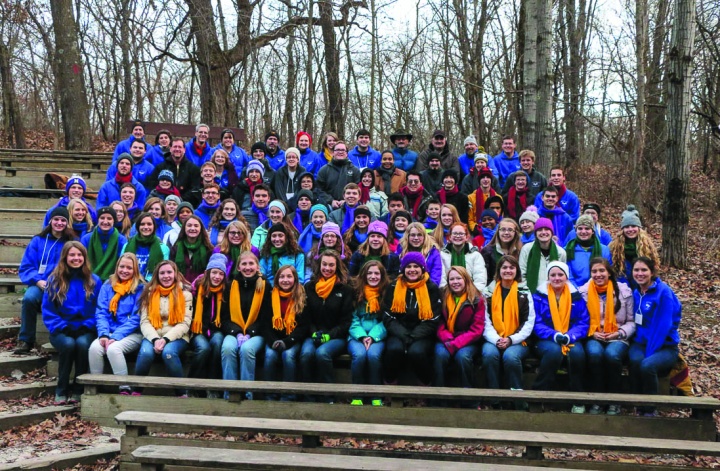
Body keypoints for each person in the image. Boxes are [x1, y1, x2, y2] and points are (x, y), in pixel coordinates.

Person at [42, 241, 101, 405]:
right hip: (61, 329)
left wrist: (87, 325)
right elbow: (48, 310)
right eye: (72, 255)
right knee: (68, 345)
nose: (76, 258)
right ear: (65, 257)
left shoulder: (93, 280)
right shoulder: (54, 280)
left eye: (79, 255)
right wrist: (63, 327)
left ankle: (77, 388)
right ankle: (61, 389)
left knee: (82, 344)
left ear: (84, 257)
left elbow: (99, 309)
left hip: (85, 328)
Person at [15, 207, 76, 355]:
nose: (59, 223)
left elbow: (76, 263)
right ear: (50, 221)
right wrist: (37, 281)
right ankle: (26, 340)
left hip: (63, 284)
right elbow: (27, 266)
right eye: (56, 219)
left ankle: (63, 336)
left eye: (63, 220)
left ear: (67, 223)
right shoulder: (38, 241)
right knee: (29, 298)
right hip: (40, 283)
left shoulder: (71, 241)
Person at [579, 257, 634, 415]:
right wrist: (592, 333)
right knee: (595, 354)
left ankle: (614, 400)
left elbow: (631, 321)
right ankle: (597, 399)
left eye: (602, 270)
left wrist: (618, 333)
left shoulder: (624, 291)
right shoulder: (583, 292)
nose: (598, 274)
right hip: (593, 335)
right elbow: (580, 320)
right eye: (594, 271)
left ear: (609, 272)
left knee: (612, 355)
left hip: (618, 335)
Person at [532, 261, 589, 413]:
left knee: (577, 354)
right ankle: (538, 395)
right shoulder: (538, 297)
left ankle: (578, 398)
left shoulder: (576, 297)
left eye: (560, 275)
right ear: (548, 277)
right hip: (546, 339)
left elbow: (583, 321)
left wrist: (571, 335)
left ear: (566, 277)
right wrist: (554, 335)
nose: (556, 278)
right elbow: (536, 322)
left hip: (571, 338)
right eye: (553, 275)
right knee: (553, 352)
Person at [628, 257, 681, 416]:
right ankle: (637, 404)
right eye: (636, 270)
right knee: (635, 361)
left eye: (644, 270)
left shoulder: (663, 291)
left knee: (647, 365)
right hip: (641, 343)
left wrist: (651, 352)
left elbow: (664, 325)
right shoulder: (636, 292)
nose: (640, 273)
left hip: (665, 346)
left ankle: (650, 409)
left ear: (652, 272)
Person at [134, 260, 193, 396]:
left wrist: (165, 339)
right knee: (146, 353)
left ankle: (181, 393)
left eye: (169, 272)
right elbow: (144, 322)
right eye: (162, 273)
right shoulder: (149, 294)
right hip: (152, 335)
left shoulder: (186, 295)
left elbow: (185, 323)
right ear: (157, 276)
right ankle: (136, 391)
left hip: (176, 337)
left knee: (169, 353)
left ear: (175, 274)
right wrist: (155, 339)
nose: (166, 276)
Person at [382, 252, 442, 386]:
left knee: (417, 352)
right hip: (398, 332)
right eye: (408, 266)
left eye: (416, 266)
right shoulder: (393, 287)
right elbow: (388, 316)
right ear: (403, 269)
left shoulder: (431, 288)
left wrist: (414, 336)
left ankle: (424, 387)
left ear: (422, 269)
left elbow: (434, 318)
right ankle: (390, 385)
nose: (412, 270)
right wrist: (403, 335)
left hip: (422, 334)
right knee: (394, 350)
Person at [88, 253, 144, 394]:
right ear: (117, 267)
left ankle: (124, 387)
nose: (124, 270)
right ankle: (96, 386)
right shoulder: (108, 285)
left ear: (135, 270)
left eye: (129, 268)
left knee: (113, 349)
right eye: (122, 266)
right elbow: (101, 312)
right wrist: (104, 334)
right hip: (109, 331)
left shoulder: (141, 288)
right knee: (94, 348)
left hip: (133, 333)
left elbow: (136, 318)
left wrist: (116, 336)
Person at [300, 250, 353, 396]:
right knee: (306, 354)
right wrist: (313, 332)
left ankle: (328, 395)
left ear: (337, 267)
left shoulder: (346, 290)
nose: (327, 268)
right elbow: (306, 317)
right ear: (319, 265)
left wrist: (329, 335)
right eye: (324, 264)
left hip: (336, 337)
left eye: (331, 265)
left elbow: (346, 321)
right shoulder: (309, 287)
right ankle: (308, 395)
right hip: (314, 334)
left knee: (322, 353)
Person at [220, 251, 272, 399]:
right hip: (234, 331)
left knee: (247, 349)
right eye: (244, 264)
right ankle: (229, 392)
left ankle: (247, 393)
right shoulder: (230, 287)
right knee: (228, 348)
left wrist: (250, 332)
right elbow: (224, 317)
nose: (247, 267)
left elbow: (266, 317)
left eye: (251, 263)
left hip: (257, 333)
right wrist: (237, 332)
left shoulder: (265, 287)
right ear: (238, 267)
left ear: (257, 267)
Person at [483, 255, 535, 397]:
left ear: (516, 271)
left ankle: (517, 398)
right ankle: (494, 398)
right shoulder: (489, 292)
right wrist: (496, 339)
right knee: (489, 355)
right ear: (499, 270)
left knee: (511, 357)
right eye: (504, 267)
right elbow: (485, 320)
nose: (508, 270)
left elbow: (528, 321)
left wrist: (511, 339)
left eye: (511, 267)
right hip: (494, 339)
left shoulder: (524, 292)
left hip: (518, 340)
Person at [434, 266, 485, 391]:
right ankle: (438, 396)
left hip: (468, 340)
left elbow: (477, 329)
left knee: (463, 357)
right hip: (447, 338)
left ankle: (469, 398)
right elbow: (439, 322)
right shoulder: (443, 296)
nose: (455, 282)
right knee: (440, 355)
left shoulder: (477, 299)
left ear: (466, 279)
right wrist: (447, 338)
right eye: (452, 279)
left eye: (459, 278)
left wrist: (456, 343)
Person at [263, 264, 308, 401]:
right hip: (273, 338)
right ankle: (269, 394)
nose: (285, 280)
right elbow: (264, 324)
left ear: (295, 278)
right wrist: (273, 341)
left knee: (288, 356)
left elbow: (303, 327)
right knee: (270, 356)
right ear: (277, 279)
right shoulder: (270, 296)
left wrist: (287, 342)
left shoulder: (301, 297)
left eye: (289, 276)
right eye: (282, 277)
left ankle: (288, 395)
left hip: (292, 339)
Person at [348, 261, 388, 406]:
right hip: (357, 335)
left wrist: (372, 336)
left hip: (378, 335)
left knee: (373, 355)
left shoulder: (386, 293)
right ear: (364, 275)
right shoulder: (356, 292)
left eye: (376, 273)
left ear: (382, 276)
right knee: (359, 355)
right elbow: (352, 318)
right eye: (369, 273)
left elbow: (387, 320)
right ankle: (357, 395)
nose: (373, 276)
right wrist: (362, 336)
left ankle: (376, 395)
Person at [608, 205, 660, 289]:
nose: (630, 229)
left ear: (639, 228)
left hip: (643, 286)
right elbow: (613, 270)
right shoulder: (614, 247)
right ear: (622, 229)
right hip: (622, 287)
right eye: (627, 227)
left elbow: (653, 269)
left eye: (633, 226)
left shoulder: (647, 245)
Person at [519, 217, 567, 294]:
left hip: (554, 294)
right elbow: (522, 274)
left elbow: (563, 276)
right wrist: (526, 292)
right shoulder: (526, 249)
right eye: (540, 230)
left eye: (547, 229)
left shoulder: (561, 252)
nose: (543, 232)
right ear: (535, 233)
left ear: (551, 232)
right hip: (530, 294)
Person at [564, 214, 612, 287]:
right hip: (575, 291)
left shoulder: (604, 250)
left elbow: (609, 272)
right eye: (580, 228)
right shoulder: (567, 250)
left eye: (587, 228)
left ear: (593, 231)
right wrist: (578, 291)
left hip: (599, 289)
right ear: (575, 231)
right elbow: (568, 274)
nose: (583, 231)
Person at [81, 206, 127, 281]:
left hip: (114, 280)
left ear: (114, 221)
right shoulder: (86, 239)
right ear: (98, 220)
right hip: (89, 279)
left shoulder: (122, 240)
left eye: (109, 218)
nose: (105, 222)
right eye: (102, 218)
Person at [439, 222, 487, 292]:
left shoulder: (475, 255)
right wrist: (446, 293)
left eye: (461, 234)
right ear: (450, 237)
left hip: (471, 294)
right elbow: (441, 278)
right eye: (455, 233)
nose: (458, 236)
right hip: (448, 293)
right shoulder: (442, 255)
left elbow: (480, 278)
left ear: (467, 237)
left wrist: (473, 293)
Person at [122, 212, 170, 280]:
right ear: (138, 227)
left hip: (152, 285)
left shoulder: (163, 249)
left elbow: (163, 272)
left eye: (149, 224)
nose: (146, 227)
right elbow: (121, 268)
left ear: (154, 226)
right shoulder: (126, 246)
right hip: (129, 282)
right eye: (142, 224)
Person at [169, 215, 213, 283]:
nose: (192, 228)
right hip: (180, 286)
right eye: (189, 225)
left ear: (201, 229)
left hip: (201, 286)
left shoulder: (209, 249)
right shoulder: (175, 249)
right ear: (184, 228)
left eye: (196, 226)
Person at [316, 140, 362, 206]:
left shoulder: (355, 171)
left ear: (347, 153)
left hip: (350, 206)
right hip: (328, 206)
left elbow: (359, 190)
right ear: (333, 152)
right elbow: (319, 190)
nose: (340, 152)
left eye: (343, 150)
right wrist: (331, 201)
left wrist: (346, 201)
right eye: (337, 150)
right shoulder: (324, 170)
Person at [481, 218, 523, 283]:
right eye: (503, 229)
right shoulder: (487, 251)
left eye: (510, 230)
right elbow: (485, 277)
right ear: (498, 232)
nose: (506, 233)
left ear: (515, 233)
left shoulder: (520, 251)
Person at [468, 168, 500, 235]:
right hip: (477, 231)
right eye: (483, 177)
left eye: (488, 177)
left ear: (491, 180)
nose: (485, 180)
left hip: (495, 231)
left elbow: (500, 217)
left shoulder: (498, 198)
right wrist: (477, 229)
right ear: (479, 180)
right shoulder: (471, 198)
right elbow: (470, 219)